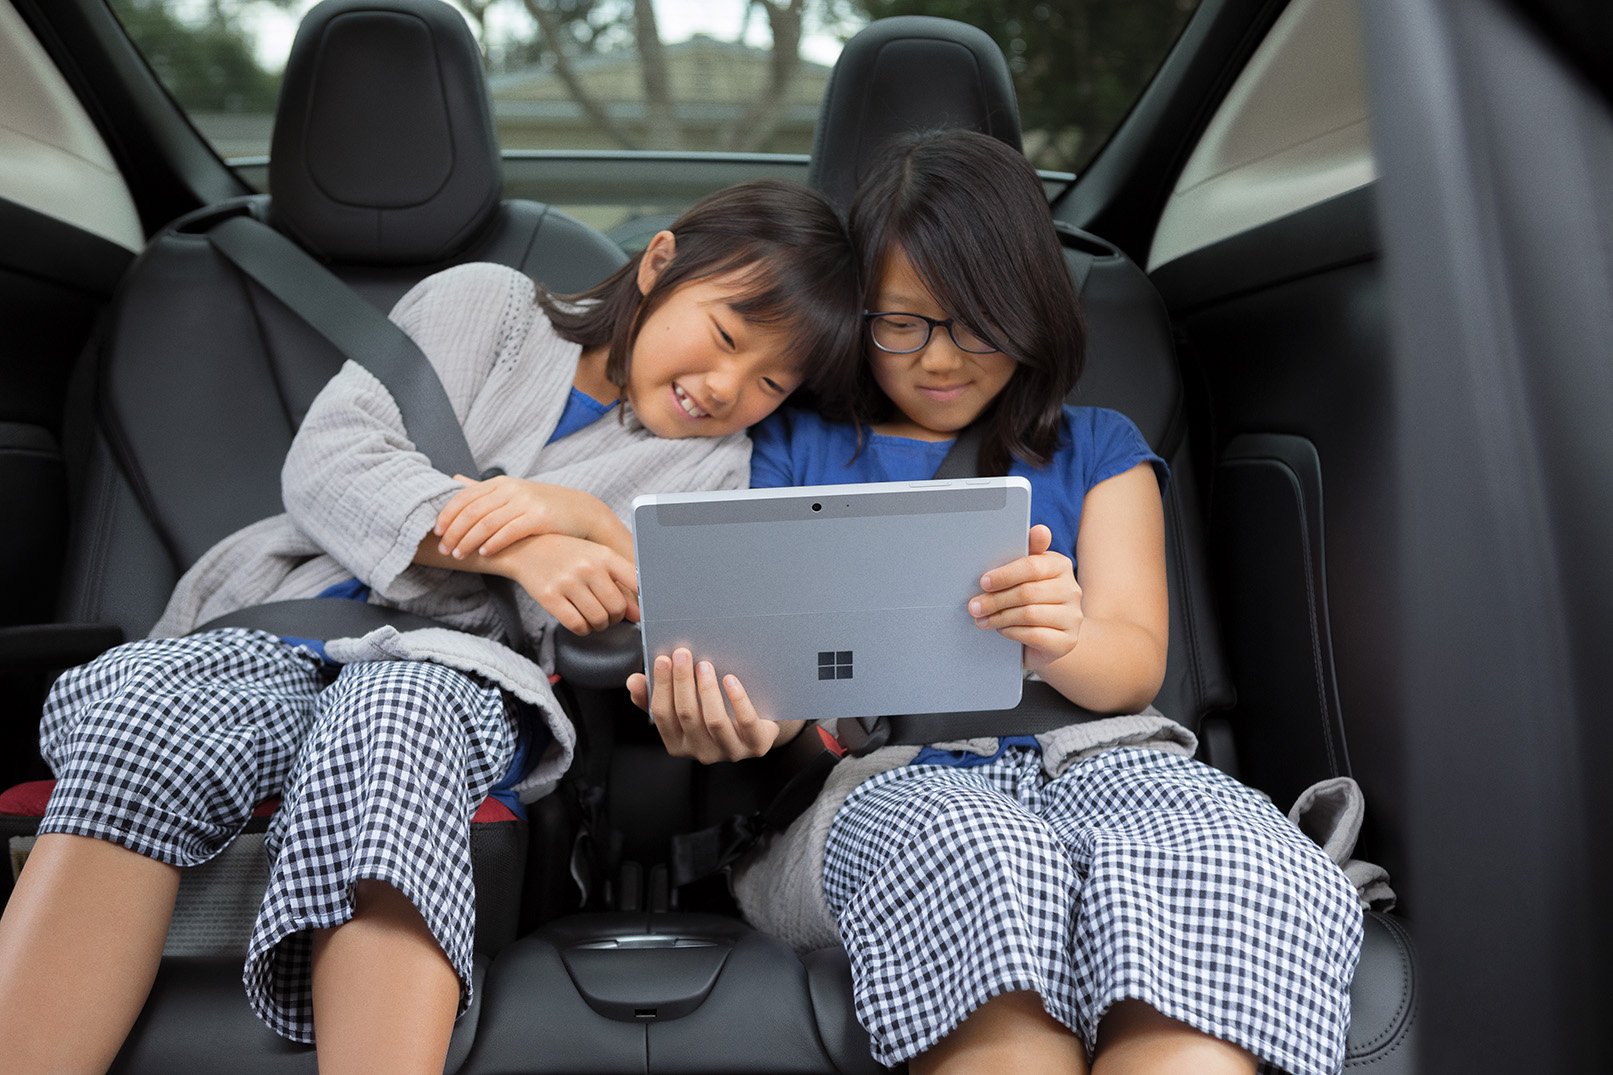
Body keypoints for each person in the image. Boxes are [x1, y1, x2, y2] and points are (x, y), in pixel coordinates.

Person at [0, 179, 859, 1074]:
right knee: (152, 720)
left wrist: (582, 519)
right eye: (724, 335)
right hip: (277, 623)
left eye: (770, 381)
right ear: (657, 265)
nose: (727, 387)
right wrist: (519, 545)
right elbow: (332, 462)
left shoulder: (712, 469)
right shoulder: (485, 305)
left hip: (458, 672)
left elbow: (615, 621)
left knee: (391, 718)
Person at [628, 131, 1364, 1075]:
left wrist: (1058, 636)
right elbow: (775, 694)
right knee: (979, 852)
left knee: (1231, 850)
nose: (942, 359)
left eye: (979, 322)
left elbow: (1134, 662)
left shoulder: (1098, 448)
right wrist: (729, 716)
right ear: (860, 318)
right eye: (904, 323)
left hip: (1103, 764)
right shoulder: (795, 449)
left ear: (1032, 311)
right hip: (886, 783)